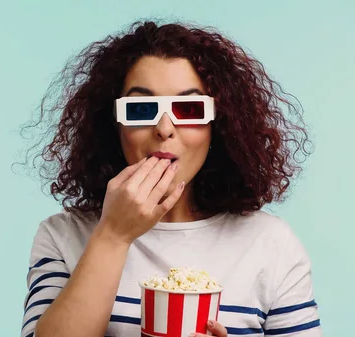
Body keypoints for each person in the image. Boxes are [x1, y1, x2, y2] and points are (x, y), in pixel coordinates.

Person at [19, 20, 322, 337]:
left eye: (190, 108)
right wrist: (112, 236)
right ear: (113, 126)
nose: (164, 128)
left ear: (218, 125)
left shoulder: (271, 245)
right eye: (140, 109)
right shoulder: (63, 236)